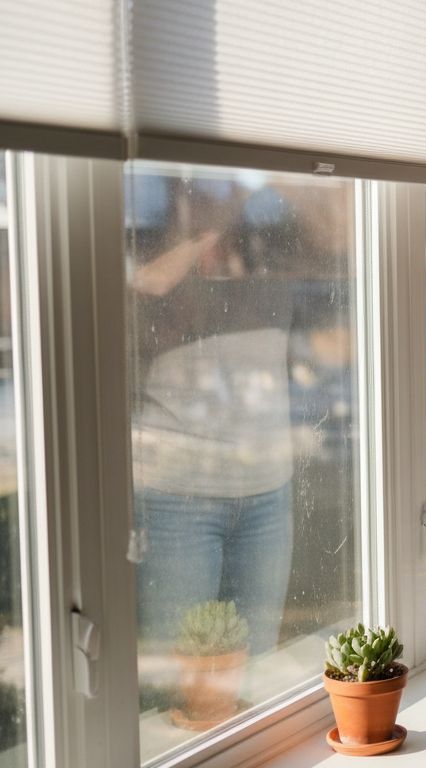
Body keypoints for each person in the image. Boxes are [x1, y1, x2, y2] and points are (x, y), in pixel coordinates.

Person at [130, 178, 298, 659]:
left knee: (258, 664)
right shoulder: (152, 233)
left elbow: (335, 242)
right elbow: (145, 291)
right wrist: (204, 233)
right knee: (182, 674)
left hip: (267, 488)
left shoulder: (267, 238)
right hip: (176, 495)